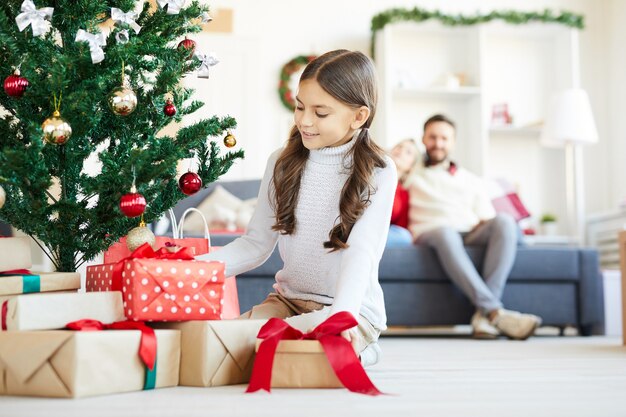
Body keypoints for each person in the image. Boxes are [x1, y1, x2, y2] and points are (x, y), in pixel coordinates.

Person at [197, 50, 397, 366]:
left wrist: (342, 316)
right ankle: (346, 353)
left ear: (358, 116)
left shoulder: (379, 168)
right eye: (300, 107)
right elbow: (254, 245)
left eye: (321, 113)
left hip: (350, 308)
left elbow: (362, 252)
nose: (304, 120)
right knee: (224, 349)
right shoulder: (281, 161)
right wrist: (190, 268)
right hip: (288, 303)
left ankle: (358, 347)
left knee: (283, 352)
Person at [407, 114, 541, 340]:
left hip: (468, 232)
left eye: (444, 138)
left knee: (505, 222)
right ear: (423, 138)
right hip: (432, 232)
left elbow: (486, 216)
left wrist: (484, 223)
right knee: (446, 232)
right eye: (432, 137)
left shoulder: (469, 179)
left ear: (453, 142)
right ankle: (496, 312)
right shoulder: (410, 172)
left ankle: (484, 316)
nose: (438, 143)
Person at [386, 139, 420, 247]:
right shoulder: (370, 174)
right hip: (360, 225)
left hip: (382, 233)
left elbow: (401, 228)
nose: (401, 151)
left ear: (410, 167)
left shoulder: (404, 194)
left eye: (408, 152)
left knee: (405, 237)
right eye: (399, 146)